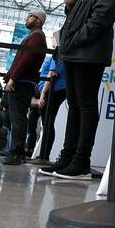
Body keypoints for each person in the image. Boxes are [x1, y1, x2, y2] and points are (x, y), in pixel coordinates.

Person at [40, 0, 115, 180]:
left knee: (85, 104)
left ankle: (81, 160)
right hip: (74, 53)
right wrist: (69, 6)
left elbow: (102, 18)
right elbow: (76, 18)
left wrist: (74, 40)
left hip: (88, 53)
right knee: (75, 105)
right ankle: (68, 156)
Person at [1, 9, 49, 165]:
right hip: (21, 82)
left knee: (18, 119)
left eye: (31, 16)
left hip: (21, 83)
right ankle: (17, 153)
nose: (27, 18)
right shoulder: (34, 36)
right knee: (17, 118)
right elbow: (21, 60)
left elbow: (26, 59)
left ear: (39, 20)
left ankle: (16, 153)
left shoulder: (37, 37)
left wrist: (13, 78)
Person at [28, 35, 66, 165]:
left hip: (53, 90)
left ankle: (44, 155)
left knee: (48, 123)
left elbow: (52, 74)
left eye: (53, 39)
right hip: (55, 90)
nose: (52, 41)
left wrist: (43, 94)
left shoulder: (59, 52)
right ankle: (44, 154)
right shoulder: (61, 52)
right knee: (48, 123)